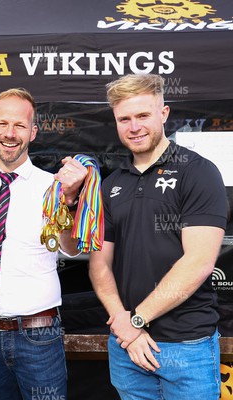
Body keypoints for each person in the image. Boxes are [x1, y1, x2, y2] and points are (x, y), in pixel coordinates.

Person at [88, 73, 228, 399]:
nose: (134, 126)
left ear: (163, 114)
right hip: (126, 347)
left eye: (142, 116)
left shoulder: (198, 171)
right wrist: (124, 324)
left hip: (186, 347)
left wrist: (136, 320)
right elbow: (99, 264)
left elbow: (198, 263)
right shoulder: (111, 185)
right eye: (125, 119)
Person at [0, 87, 89, 399]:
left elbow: (71, 247)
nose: (9, 134)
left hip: (37, 333)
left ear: (33, 132)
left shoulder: (53, 188)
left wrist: (67, 201)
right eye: (2, 124)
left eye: (19, 125)